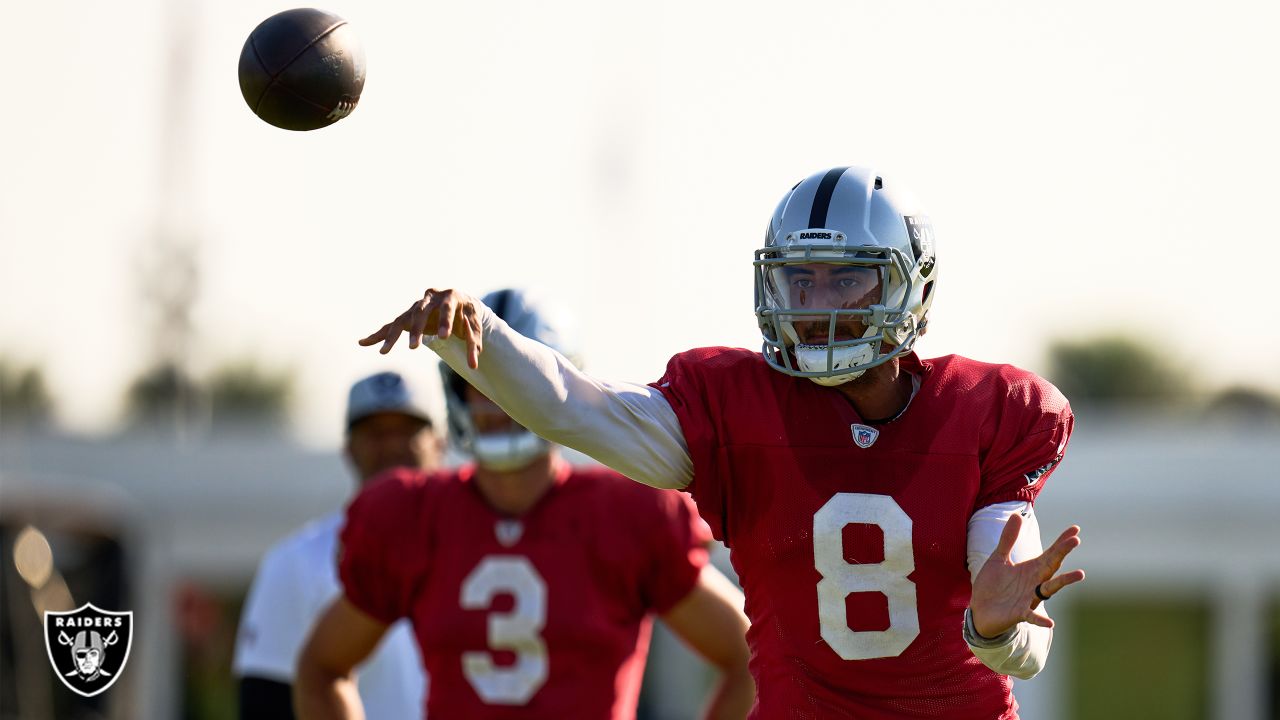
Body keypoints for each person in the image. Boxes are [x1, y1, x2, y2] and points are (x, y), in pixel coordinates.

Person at [358, 167, 1088, 719]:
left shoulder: (990, 412)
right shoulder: (736, 409)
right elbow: (577, 407)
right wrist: (477, 336)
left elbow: (1023, 642)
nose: (817, 306)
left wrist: (993, 630)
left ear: (910, 288)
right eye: (800, 280)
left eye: (847, 282)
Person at [297, 289, 755, 720]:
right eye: (479, 379)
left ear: (555, 383)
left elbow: (751, 653)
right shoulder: (413, 515)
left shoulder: (626, 511)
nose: (496, 402)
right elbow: (321, 667)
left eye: (514, 381)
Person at [234, 371, 445, 719]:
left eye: (408, 431)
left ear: (441, 442)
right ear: (348, 449)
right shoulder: (295, 560)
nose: (392, 445)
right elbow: (266, 701)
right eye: (375, 433)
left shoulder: (483, 545)